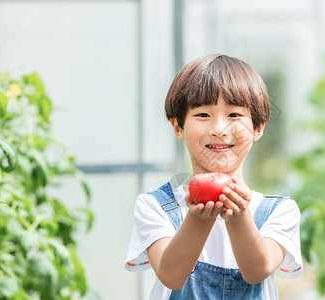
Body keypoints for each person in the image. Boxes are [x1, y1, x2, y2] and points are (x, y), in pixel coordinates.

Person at [125, 54, 302, 299]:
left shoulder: (278, 211)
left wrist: (238, 217)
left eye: (234, 115)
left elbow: (257, 271)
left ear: (258, 127)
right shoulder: (157, 206)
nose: (219, 130)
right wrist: (198, 219)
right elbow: (171, 275)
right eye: (202, 115)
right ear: (178, 127)